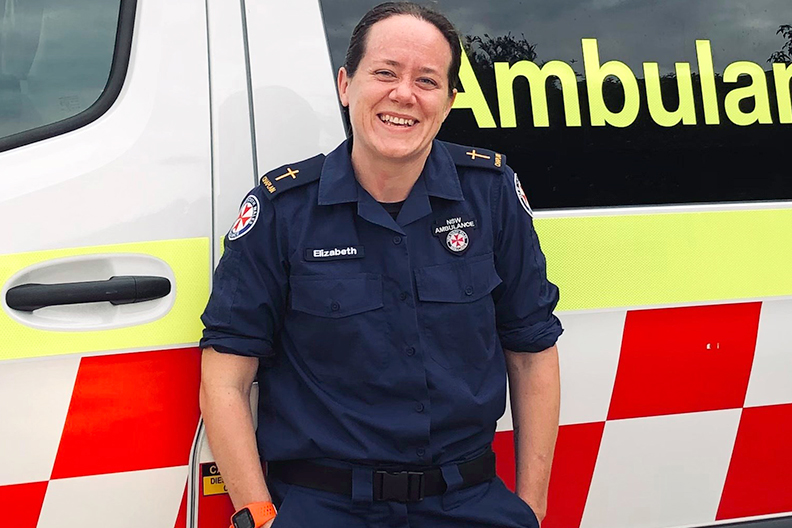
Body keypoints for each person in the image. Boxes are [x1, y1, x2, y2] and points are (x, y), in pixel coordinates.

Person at [199, 3, 562, 527]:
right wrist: (258, 514)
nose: (404, 95)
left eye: (427, 80)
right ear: (346, 85)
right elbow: (225, 376)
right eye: (385, 73)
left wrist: (529, 507)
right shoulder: (283, 209)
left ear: (449, 100)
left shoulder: (490, 195)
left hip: (469, 502)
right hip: (326, 505)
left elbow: (532, 353)